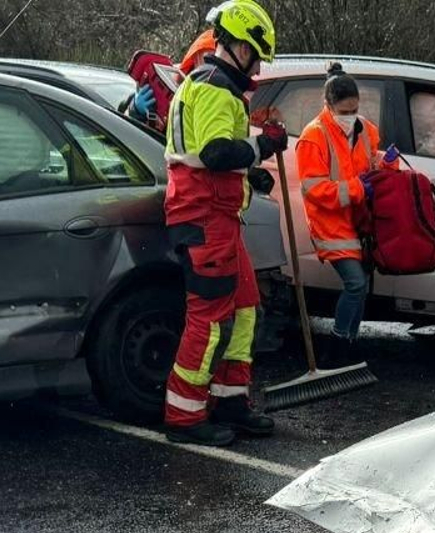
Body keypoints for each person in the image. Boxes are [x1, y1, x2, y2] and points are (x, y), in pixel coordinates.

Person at [161, 0, 283, 446]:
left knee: (246, 307)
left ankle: (231, 399)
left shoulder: (211, 85)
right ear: (235, 45)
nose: (253, 65)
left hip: (219, 218)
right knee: (208, 319)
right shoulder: (214, 87)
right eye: (252, 53)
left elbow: (208, 154)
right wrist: (263, 147)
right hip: (204, 218)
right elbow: (214, 153)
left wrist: (248, 171)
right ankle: (185, 416)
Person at [296, 64, 382, 365]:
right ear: (329, 106)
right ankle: (337, 347)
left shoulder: (366, 130)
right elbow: (315, 190)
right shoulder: (313, 137)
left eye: (355, 109)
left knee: (361, 287)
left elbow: (373, 161)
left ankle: (348, 343)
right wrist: (359, 189)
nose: (351, 116)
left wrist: (387, 167)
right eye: (345, 111)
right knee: (356, 284)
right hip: (330, 225)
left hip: (358, 223)